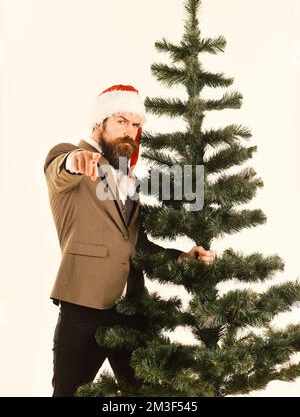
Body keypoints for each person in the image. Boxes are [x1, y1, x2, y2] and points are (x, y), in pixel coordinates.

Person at [44, 84, 215, 397]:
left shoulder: (127, 180)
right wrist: (76, 160)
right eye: (121, 121)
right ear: (100, 123)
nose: (130, 132)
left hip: (132, 308)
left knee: (146, 396)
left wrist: (182, 259)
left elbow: (138, 245)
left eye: (136, 125)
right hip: (83, 308)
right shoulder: (68, 156)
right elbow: (60, 169)